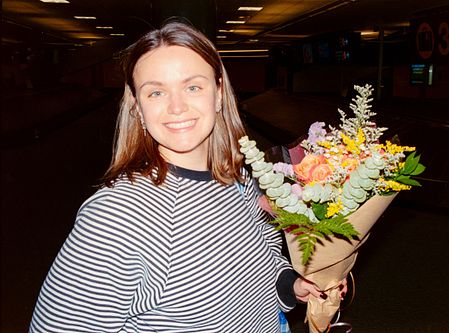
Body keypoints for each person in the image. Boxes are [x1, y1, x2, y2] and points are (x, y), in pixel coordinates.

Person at [29, 18, 337, 332]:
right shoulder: (118, 216)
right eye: (156, 93)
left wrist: (288, 283)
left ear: (218, 94)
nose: (177, 107)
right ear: (137, 108)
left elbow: (262, 252)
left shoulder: (240, 178)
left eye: (192, 86)